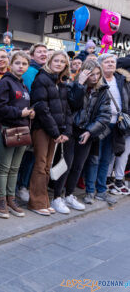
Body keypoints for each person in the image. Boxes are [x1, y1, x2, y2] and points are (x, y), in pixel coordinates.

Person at [50, 60, 110, 214]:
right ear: (84, 73)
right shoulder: (72, 85)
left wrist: (90, 131)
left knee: (78, 166)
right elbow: (73, 105)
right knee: (66, 165)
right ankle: (57, 197)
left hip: (87, 133)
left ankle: (69, 195)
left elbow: (105, 115)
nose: (95, 77)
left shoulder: (103, 90)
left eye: (98, 74)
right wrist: (80, 85)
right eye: (91, 74)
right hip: (71, 130)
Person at [28, 51, 72, 216]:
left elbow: (66, 110)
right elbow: (41, 108)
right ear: (50, 61)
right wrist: (55, 132)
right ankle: (36, 203)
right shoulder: (42, 78)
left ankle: (43, 200)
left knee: (47, 166)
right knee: (40, 165)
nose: (59, 64)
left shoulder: (60, 82)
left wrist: (65, 131)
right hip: (42, 129)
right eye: (56, 60)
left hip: (55, 131)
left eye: (62, 62)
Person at [0, 51, 34, 218]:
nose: (21, 66)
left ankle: (11, 198)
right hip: (7, 129)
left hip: (22, 130)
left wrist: (29, 113)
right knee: (4, 167)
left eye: (24, 64)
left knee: (15, 168)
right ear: (11, 63)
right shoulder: (5, 83)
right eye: (18, 63)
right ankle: (1, 200)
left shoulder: (23, 85)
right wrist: (20, 113)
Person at [83, 54, 121, 205]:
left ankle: (101, 190)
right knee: (94, 159)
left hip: (115, 124)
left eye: (113, 61)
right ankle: (90, 191)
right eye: (107, 62)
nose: (111, 64)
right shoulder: (97, 82)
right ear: (100, 65)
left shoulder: (121, 80)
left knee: (106, 159)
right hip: (98, 126)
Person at [16, 43, 48, 202]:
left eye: (45, 51)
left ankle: (23, 186)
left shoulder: (45, 71)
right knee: (25, 157)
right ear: (32, 55)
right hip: (30, 119)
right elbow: (29, 96)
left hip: (41, 121)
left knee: (31, 156)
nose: (43, 54)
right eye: (40, 52)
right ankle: (20, 187)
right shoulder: (30, 71)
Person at [107, 65, 130, 195]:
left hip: (123, 121)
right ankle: (113, 179)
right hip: (123, 122)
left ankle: (115, 179)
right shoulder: (124, 81)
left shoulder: (123, 81)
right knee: (117, 152)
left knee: (122, 153)